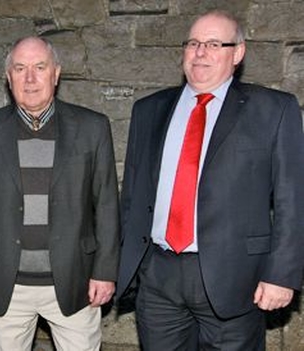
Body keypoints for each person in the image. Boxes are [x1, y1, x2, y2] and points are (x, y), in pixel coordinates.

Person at [116, 10, 304, 351]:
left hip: (234, 278)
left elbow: (294, 200)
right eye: (194, 43)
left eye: (215, 43)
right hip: (158, 277)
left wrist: (281, 275)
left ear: (238, 53)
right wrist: (127, 264)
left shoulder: (273, 109)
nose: (200, 52)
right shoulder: (149, 110)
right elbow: (132, 194)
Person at [0, 36, 120, 351]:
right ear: (9, 78)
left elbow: (107, 205)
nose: (30, 78)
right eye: (20, 68)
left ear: (56, 74)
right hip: (6, 283)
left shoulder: (92, 128)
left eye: (39, 67)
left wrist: (105, 271)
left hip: (76, 281)